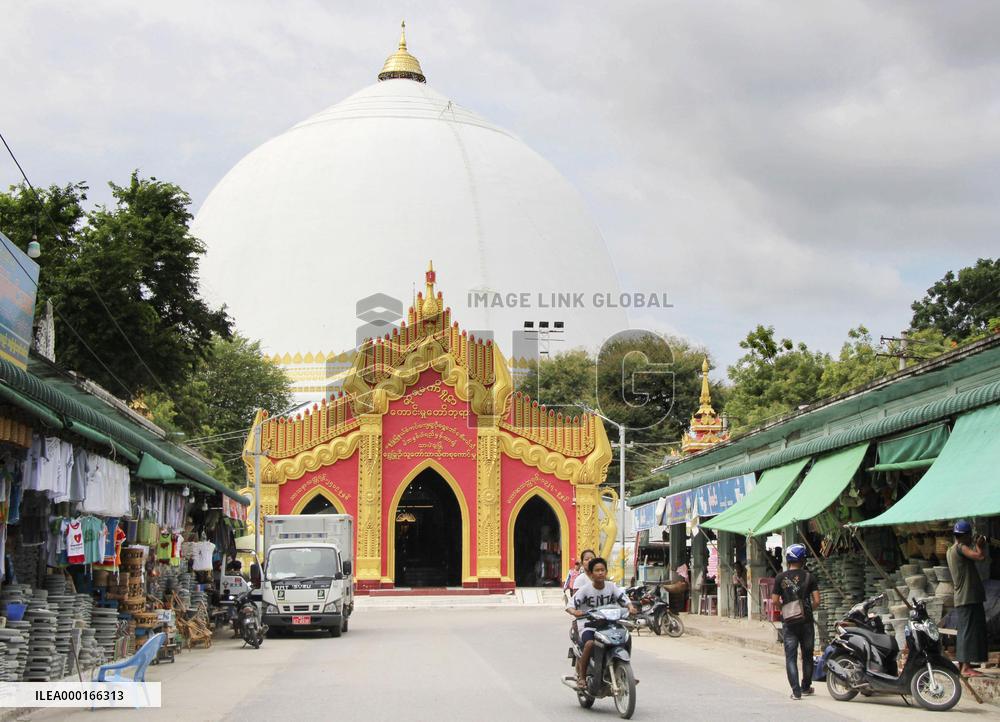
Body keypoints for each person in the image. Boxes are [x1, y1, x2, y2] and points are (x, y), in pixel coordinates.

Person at [566, 557, 637, 689]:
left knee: (625, 638)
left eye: (602, 570)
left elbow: (624, 599)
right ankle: (582, 677)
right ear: (591, 574)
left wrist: (630, 607)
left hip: (609, 624)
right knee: (589, 644)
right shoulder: (585, 589)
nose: (600, 573)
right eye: (597, 570)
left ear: (606, 572)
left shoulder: (611, 587)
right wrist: (575, 612)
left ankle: (625, 671)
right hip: (589, 625)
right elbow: (570, 605)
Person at [771, 543, 820, 700]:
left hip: (789, 622)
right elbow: (817, 601)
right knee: (807, 655)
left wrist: (785, 609)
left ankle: (796, 691)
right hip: (806, 621)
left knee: (791, 657)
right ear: (803, 559)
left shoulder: (780, 577)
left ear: (788, 559)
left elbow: (775, 600)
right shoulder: (809, 577)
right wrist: (806, 610)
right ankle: (806, 687)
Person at [946, 520, 987, 678]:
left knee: (966, 631)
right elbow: (980, 556)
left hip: (965, 597)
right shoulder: (961, 547)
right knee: (968, 632)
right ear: (965, 536)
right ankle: (966, 667)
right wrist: (980, 546)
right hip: (967, 597)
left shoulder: (951, 550)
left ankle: (965, 666)